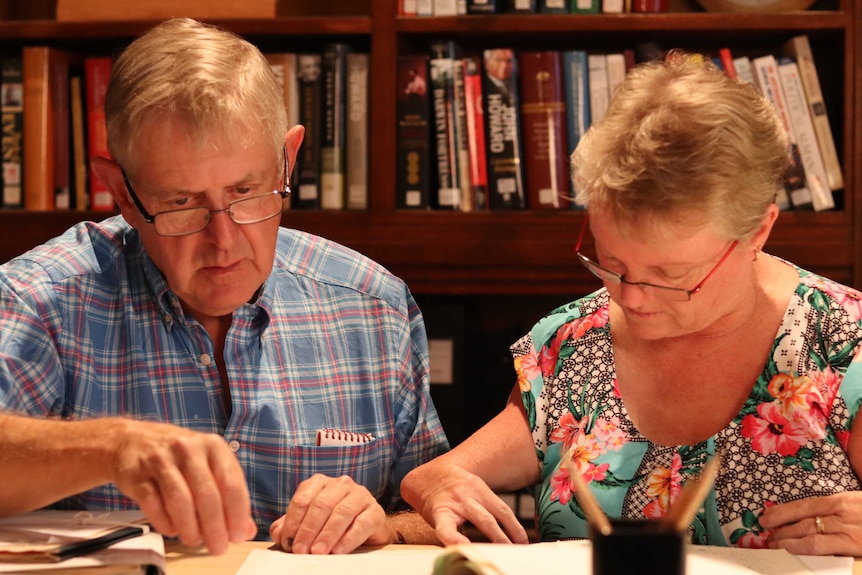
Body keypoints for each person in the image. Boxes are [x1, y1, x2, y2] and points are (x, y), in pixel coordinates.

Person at [0, 18, 448, 556]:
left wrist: (387, 524)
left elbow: (437, 515)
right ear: (121, 190)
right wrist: (108, 447)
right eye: (181, 202)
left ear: (289, 159)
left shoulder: (373, 307)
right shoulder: (40, 301)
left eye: (248, 190)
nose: (224, 241)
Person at [401, 52, 862, 556]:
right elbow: (444, 478)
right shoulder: (574, 342)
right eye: (611, 261)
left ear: (759, 230)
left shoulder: (841, 344)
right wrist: (431, 485)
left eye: (671, 276)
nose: (629, 297)